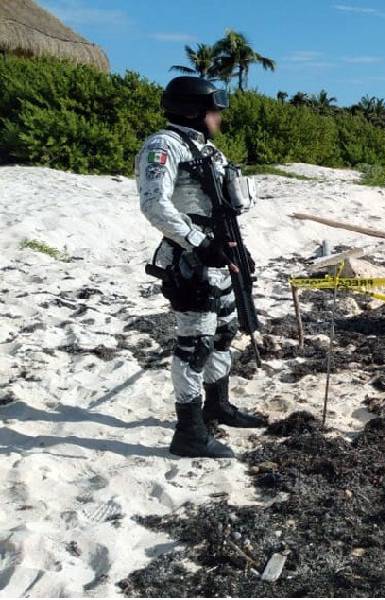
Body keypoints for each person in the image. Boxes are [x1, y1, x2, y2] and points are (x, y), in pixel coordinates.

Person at [135, 76, 263, 459]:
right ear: (193, 111)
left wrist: (234, 250)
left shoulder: (207, 150)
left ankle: (217, 406)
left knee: (224, 332)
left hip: (219, 255)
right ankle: (188, 432)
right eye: (213, 111)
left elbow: (229, 203)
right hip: (190, 258)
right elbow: (155, 204)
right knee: (195, 343)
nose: (218, 118)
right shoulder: (163, 146)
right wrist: (197, 243)